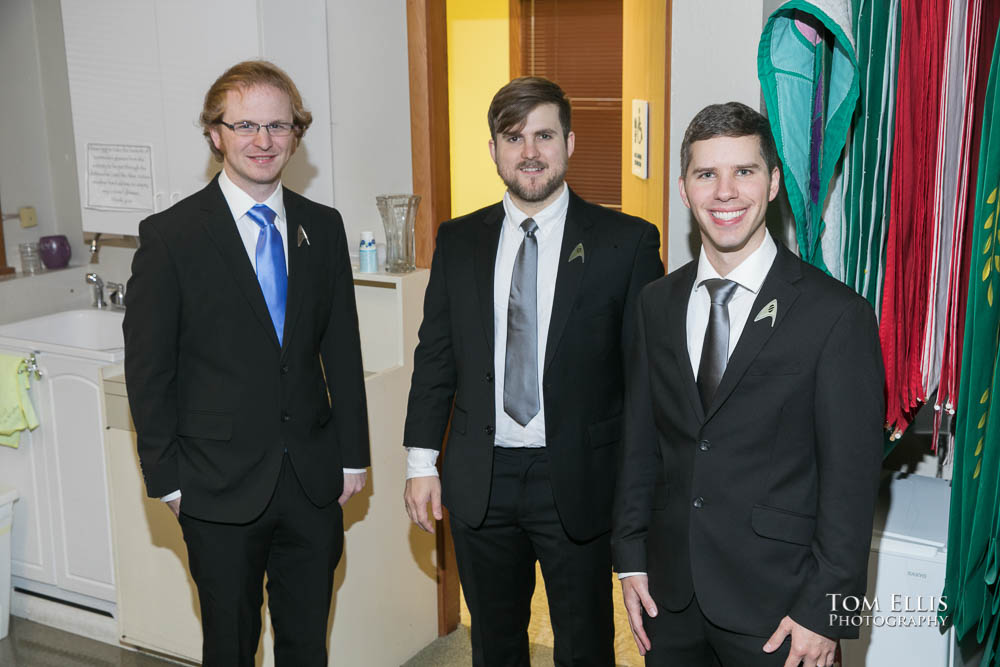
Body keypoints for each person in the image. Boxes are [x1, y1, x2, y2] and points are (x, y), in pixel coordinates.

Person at [612, 102, 885, 667]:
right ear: (684, 189)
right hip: (672, 596)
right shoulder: (655, 304)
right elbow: (640, 441)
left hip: (782, 608)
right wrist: (630, 557)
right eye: (706, 174)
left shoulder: (836, 314)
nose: (725, 192)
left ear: (775, 182)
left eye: (745, 171)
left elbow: (852, 484)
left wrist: (827, 611)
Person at [403, 76, 663, 665]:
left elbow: (646, 380)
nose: (529, 152)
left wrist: (641, 496)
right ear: (493, 149)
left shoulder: (626, 244)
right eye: (513, 137)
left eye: (544, 135)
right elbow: (436, 354)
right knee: (493, 644)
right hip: (480, 478)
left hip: (578, 478)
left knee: (585, 644)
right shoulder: (459, 240)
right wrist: (421, 462)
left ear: (570, 143)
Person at [123, 60, 369, 666]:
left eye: (278, 126)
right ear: (216, 133)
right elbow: (148, 370)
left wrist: (353, 456)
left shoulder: (324, 227)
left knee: (307, 643)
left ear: (296, 134)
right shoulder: (170, 237)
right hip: (214, 485)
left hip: (312, 483)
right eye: (246, 125)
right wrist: (168, 481)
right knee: (230, 648)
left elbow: (342, 348)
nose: (263, 141)